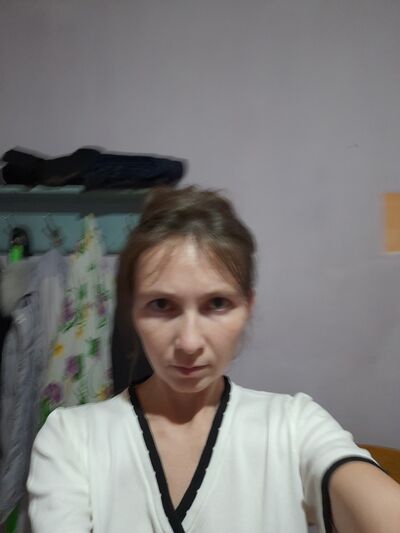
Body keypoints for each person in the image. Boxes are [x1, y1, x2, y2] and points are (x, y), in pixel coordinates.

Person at [27, 186, 400, 533]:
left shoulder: (294, 427)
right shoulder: (72, 440)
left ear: (247, 307)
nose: (189, 342)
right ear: (133, 310)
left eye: (217, 303)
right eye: (161, 305)